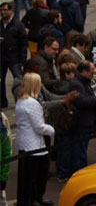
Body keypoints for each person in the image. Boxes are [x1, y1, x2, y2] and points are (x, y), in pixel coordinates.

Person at [15, 73, 55, 206]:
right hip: (34, 145)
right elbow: (39, 127)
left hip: (25, 144)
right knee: (38, 176)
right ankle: (35, 199)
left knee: (27, 177)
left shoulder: (21, 100)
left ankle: (30, 200)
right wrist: (52, 130)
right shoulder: (33, 103)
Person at [70, 61, 96, 171]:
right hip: (81, 121)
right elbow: (82, 102)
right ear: (84, 71)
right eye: (91, 72)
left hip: (87, 120)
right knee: (79, 151)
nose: (93, 74)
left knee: (82, 149)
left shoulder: (85, 81)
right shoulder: (77, 84)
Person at [1, 2, 27, 109]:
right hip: (1, 57)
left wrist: (22, 59)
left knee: (19, 80)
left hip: (14, 57)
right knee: (0, 81)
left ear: (10, 11)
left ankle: (22, 101)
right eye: (1, 10)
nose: (3, 12)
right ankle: (2, 103)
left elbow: (24, 42)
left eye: (5, 10)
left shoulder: (17, 24)